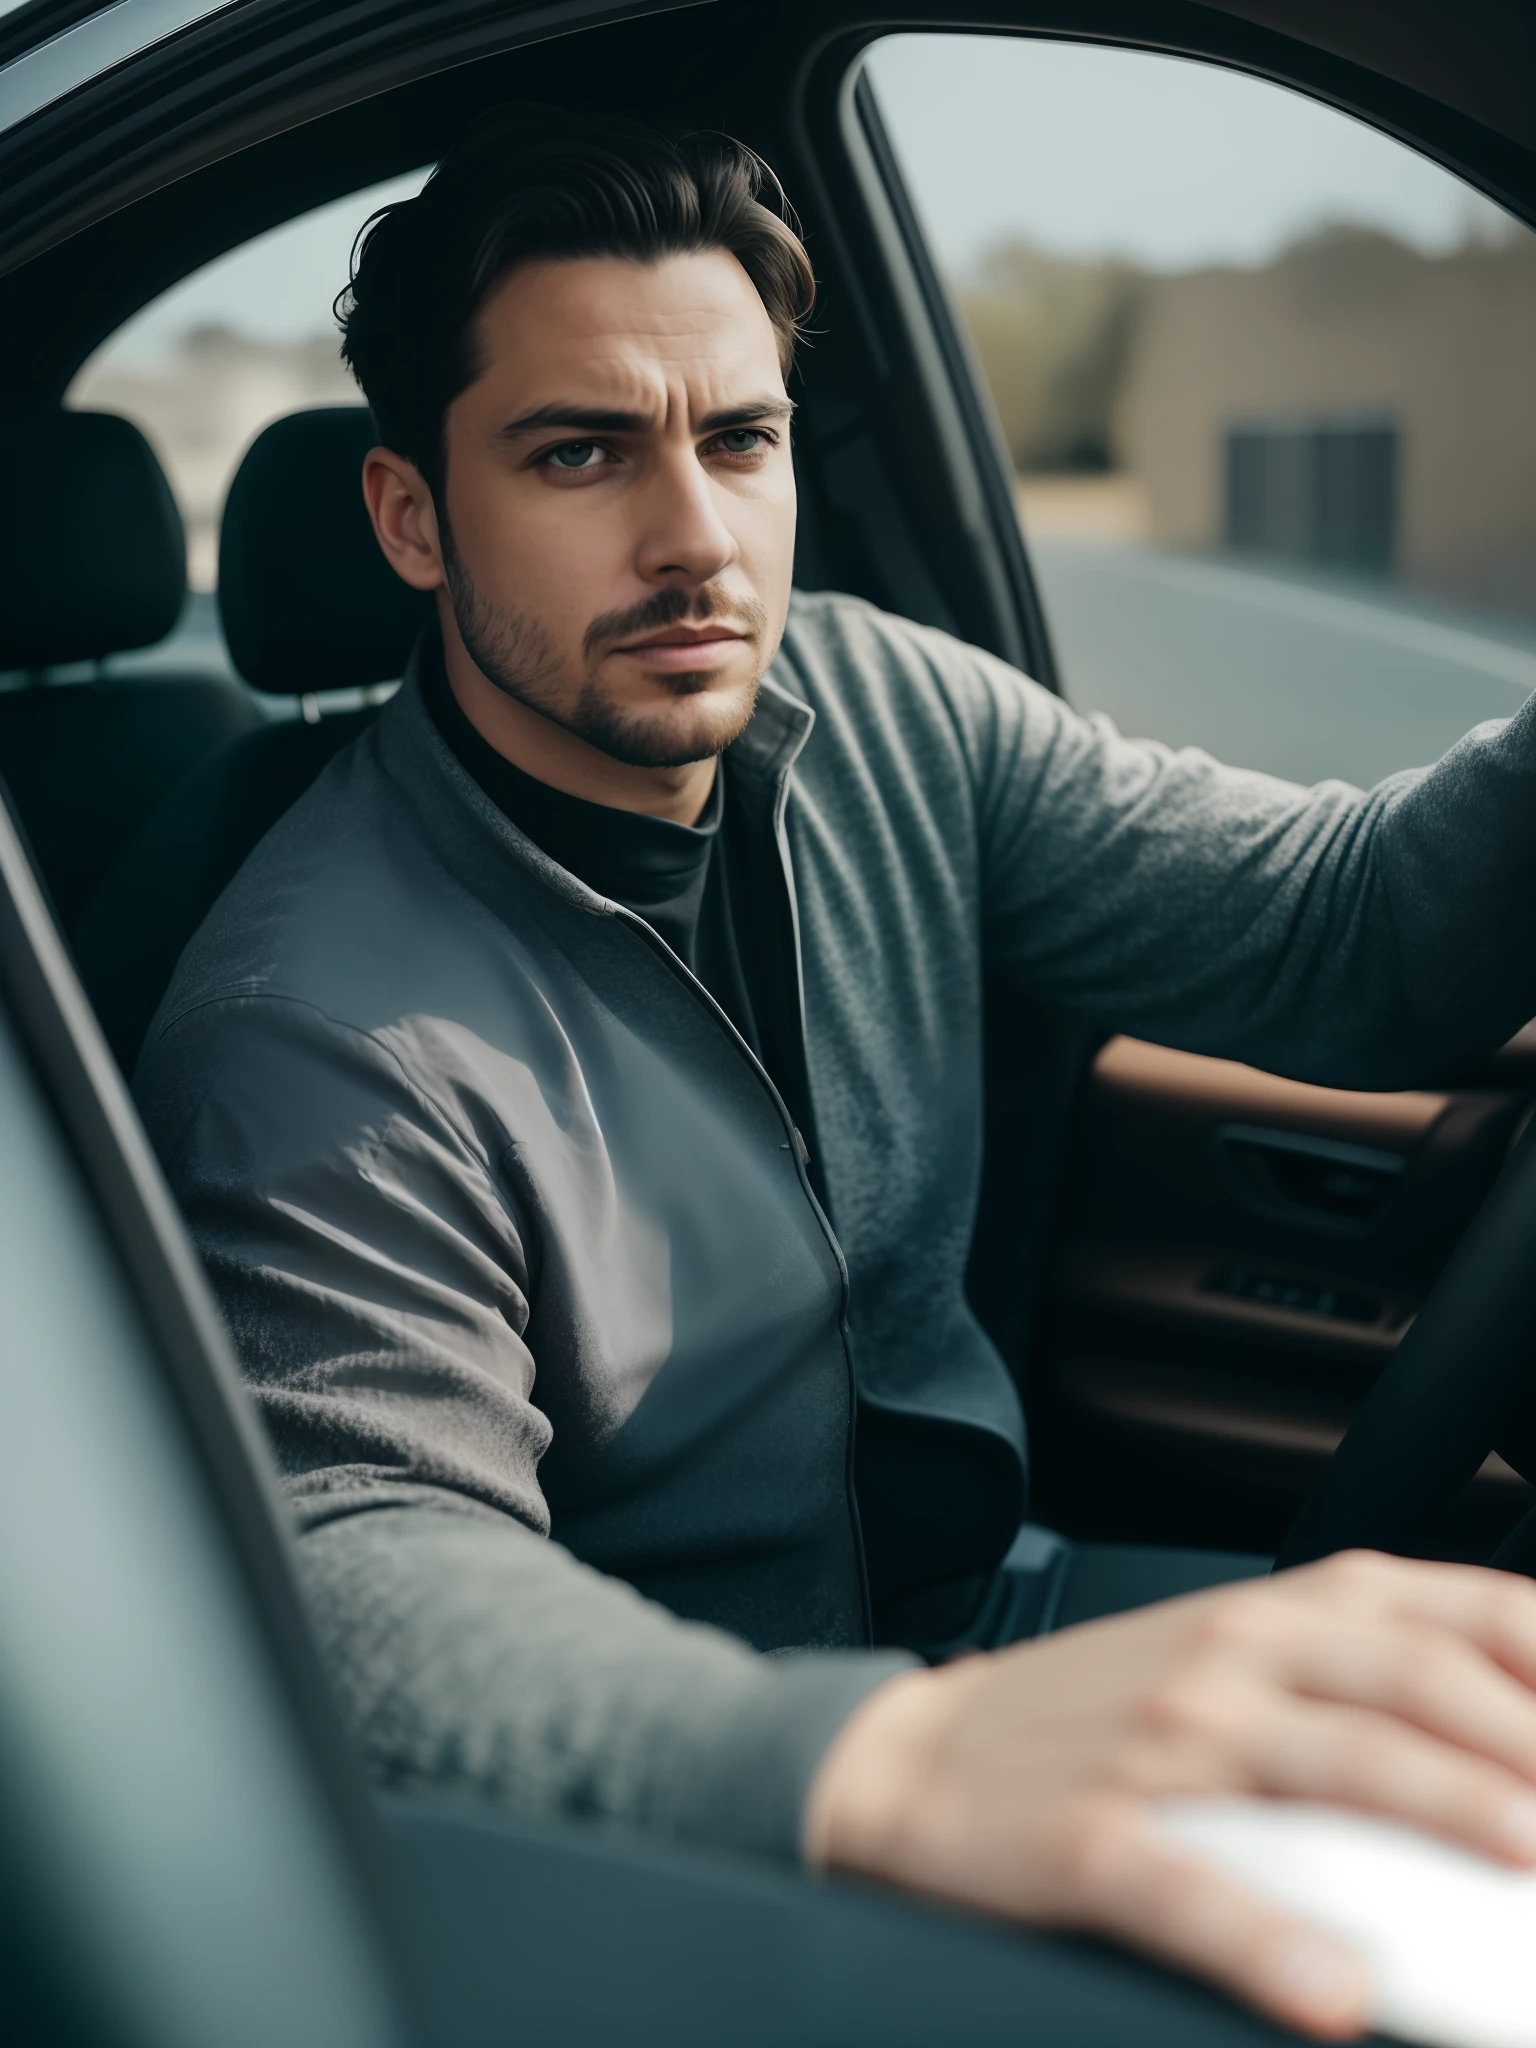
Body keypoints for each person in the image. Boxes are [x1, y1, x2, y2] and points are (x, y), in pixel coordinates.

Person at [134, 107, 1536, 2039]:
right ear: (409, 514)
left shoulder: (882, 704)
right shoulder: (311, 1026)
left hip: (979, 1617)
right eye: (580, 452)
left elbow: (1344, 937)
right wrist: (873, 1768)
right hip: (685, 1826)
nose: (696, 536)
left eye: (741, 439)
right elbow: (360, 1554)